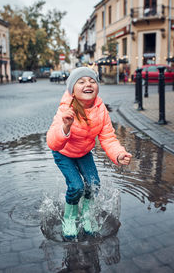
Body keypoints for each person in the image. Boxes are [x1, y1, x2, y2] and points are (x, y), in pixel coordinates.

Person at [47, 67, 132, 239]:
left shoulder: (101, 111)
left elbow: (108, 137)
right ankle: (69, 218)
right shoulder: (66, 109)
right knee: (77, 187)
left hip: (84, 152)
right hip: (63, 153)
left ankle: (87, 215)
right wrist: (65, 127)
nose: (88, 84)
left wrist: (118, 154)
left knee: (94, 184)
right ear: (72, 89)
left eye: (92, 81)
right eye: (82, 81)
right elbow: (52, 142)